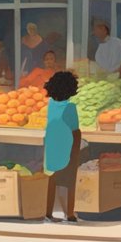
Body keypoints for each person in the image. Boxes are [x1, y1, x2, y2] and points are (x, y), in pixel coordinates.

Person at [42, 70, 82, 223]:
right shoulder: (70, 108)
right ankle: (70, 214)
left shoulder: (51, 104)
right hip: (67, 145)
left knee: (51, 177)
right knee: (70, 181)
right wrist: (76, 150)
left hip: (52, 144)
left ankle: (48, 212)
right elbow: (75, 131)